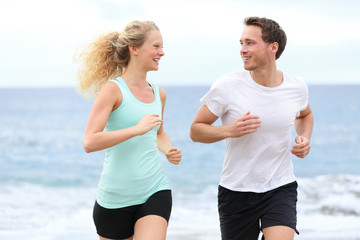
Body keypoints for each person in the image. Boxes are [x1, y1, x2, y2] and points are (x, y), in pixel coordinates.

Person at [190, 17, 313, 240]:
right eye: (241, 43)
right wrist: (229, 131)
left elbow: (305, 114)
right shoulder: (227, 86)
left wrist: (303, 138)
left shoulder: (296, 86)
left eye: (250, 43)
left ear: (273, 47)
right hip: (236, 191)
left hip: (280, 186)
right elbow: (196, 131)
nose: (243, 50)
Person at [76, 20, 182, 240]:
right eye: (156, 46)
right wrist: (135, 130)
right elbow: (89, 142)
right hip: (114, 199)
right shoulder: (113, 90)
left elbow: (158, 132)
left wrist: (168, 149)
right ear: (134, 49)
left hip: (155, 189)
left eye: (162, 47)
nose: (162, 52)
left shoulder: (158, 94)